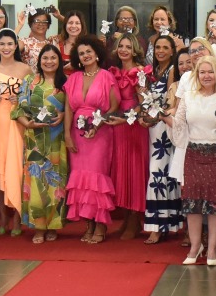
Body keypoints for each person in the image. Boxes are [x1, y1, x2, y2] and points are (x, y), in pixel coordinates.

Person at [167, 55, 216, 265]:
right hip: (193, 153)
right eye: (202, 72)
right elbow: (178, 124)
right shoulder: (188, 97)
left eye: (210, 72)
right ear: (196, 75)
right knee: (192, 202)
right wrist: (161, 116)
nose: (206, 76)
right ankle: (196, 247)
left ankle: (213, 248)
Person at [12, 45, 70, 242]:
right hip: (34, 141)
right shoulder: (30, 81)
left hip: (56, 141)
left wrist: (63, 114)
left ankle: (53, 225)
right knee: (36, 182)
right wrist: (27, 123)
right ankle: (39, 227)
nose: (49, 61)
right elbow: (18, 109)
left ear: (59, 61)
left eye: (53, 58)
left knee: (56, 183)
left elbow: (73, 108)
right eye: (45, 58)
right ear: (39, 60)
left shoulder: (66, 82)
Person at [64, 35, 118, 244]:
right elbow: (69, 108)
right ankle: (89, 224)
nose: (85, 55)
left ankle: (101, 225)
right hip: (77, 135)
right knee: (81, 180)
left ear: (96, 53)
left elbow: (114, 106)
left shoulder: (106, 76)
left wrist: (98, 125)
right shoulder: (74, 78)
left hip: (100, 134)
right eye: (81, 53)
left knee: (97, 179)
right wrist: (67, 135)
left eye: (88, 51)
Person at [0, 30, 31, 236]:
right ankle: (3, 218)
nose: (6, 48)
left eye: (10, 44)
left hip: (17, 125)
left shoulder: (26, 69)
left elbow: (33, 98)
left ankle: (18, 218)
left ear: (16, 46)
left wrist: (20, 100)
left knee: (17, 171)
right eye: (2, 44)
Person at [106, 33, 150, 240]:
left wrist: (125, 119)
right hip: (118, 127)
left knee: (134, 171)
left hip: (133, 127)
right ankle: (126, 218)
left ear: (135, 51)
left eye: (128, 47)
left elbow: (144, 104)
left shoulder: (140, 72)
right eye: (121, 46)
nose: (124, 50)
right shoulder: (113, 72)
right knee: (122, 171)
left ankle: (135, 220)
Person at [142, 35, 183, 243]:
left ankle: (158, 225)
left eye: (165, 47)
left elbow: (170, 101)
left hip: (163, 125)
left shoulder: (172, 71)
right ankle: (166, 222)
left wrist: (155, 117)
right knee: (159, 172)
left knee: (158, 172)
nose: (160, 51)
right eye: (157, 47)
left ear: (172, 51)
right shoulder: (151, 71)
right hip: (151, 126)